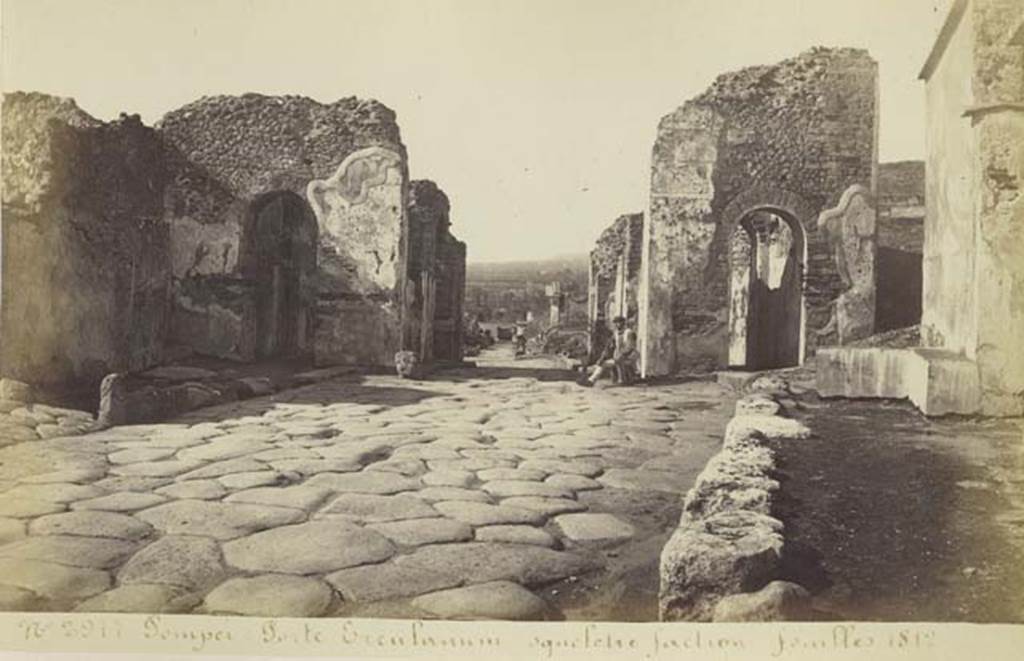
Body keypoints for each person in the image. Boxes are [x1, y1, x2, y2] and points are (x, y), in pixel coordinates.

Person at [578, 315, 637, 386]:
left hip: (630, 356)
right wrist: (602, 358)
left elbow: (629, 347)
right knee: (603, 363)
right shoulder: (616, 333)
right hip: (619, 357)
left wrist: (620, 355)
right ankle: (591, 381)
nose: (617, 324)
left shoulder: (628, 332)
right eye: (615, 323)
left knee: (617, 361)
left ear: (623, 323)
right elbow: (609, 347)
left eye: (619, 322)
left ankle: (622, 380)